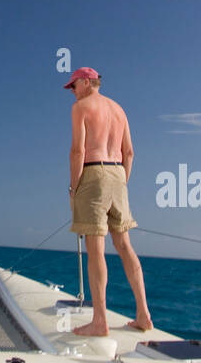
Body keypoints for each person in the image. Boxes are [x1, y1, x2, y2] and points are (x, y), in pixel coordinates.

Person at [64, 67, 153, 336]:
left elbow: (78, 150)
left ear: (87, 82)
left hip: (93, 171)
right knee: (124, 244)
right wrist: (121, 181)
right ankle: (143, 314)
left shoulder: (81, 108)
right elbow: (130, 153)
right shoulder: (119, 109)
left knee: (96, 249)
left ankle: (99, 321)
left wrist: (74, 187)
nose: (73, 92)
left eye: (74, 86)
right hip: (118, 173)